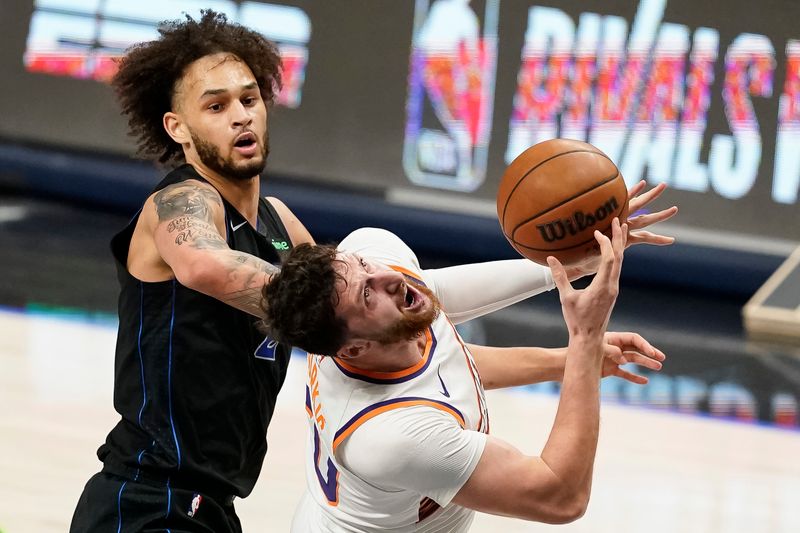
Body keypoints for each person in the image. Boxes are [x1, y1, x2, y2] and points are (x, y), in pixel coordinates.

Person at [69, 10, 314, 533]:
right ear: (177, 127)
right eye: (216, 106)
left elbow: (372, 310)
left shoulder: (280, 222)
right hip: (147, 501)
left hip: (214, 508)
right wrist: (321, 303)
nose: (240, 116)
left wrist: (536, 280)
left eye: (249, 99)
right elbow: (205, 265)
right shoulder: (179, 201)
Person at [262, 221, 666, 531]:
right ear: (352, 350)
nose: (391, 278)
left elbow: (447, 357)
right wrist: (585, 339)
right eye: (368, 294)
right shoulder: (391, 436)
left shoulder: (368, 281)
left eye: (366, 266)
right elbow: (559, 495)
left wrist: (570, 264)